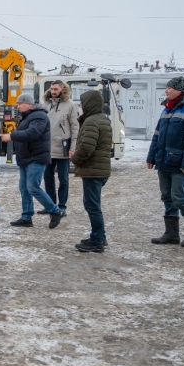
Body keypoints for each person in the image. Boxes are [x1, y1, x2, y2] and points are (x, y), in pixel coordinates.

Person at [147, 76, 184, 247]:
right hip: (164, 162)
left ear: (180, 90)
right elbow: (157, 136)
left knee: (179, 196)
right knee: (167, 197)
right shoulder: (167, 109)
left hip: (181, 164)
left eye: (169, 88)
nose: (166, 91)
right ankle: (171, 234)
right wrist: (151, 157)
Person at [0, 93, 63, 229]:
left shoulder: (39, 116)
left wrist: (11, 136)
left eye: (20, 103)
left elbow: (32, 134)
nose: (18, 106)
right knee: (24, 188)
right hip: (26, 158)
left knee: (33, 187)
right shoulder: (27, 117)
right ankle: (26, 217)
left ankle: (55, 211)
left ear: (29, 104)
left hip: (36, 157)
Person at [70, 90, 112, 253]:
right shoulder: (102, 119)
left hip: (93, 170)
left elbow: (87, 147)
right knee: (94, 204)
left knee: (92, 206)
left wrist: (75, 159)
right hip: (100, 169)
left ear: (89, 104)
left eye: (82, 103)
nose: (81, 106)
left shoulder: (91, 122)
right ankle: (100, 236)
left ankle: (97, 240)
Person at [38, 80, 79, 216]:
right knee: (48, 177)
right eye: (52, 89)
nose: (53, 92)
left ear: (62, 89)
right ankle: (50, 205)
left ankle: (62, 206)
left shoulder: (71, 105)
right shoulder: (46, 104)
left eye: (56, 89)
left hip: (63, 148)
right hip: (47, 149)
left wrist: (73, 147)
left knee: (64, 179)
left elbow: (75, 127)